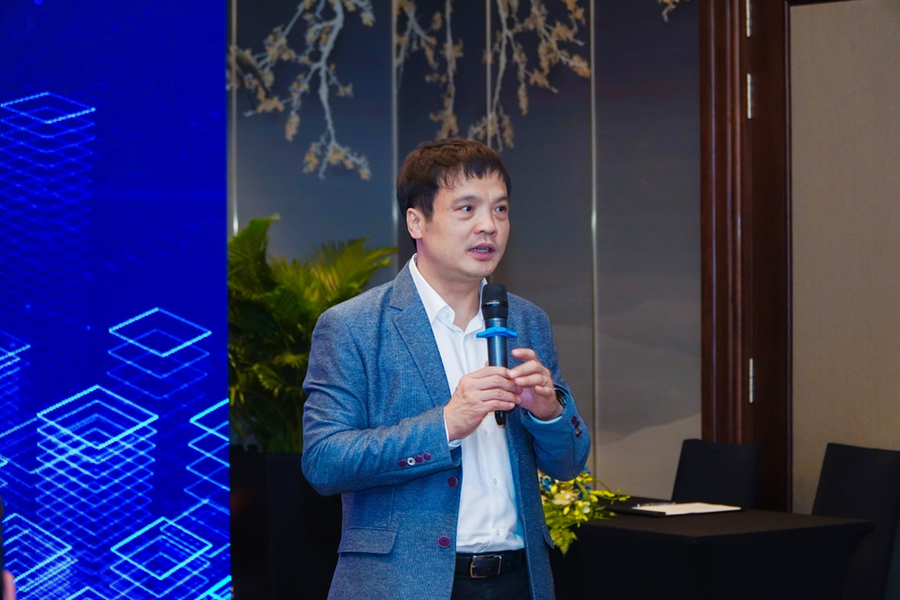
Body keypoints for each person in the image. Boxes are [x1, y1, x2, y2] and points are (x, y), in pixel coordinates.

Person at [302, 138, 590, 600]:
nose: (488, 226)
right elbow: (324, 461)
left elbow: (569, 462)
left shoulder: (526, 321)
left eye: (500, 210)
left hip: (520, 581)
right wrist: (445, 425)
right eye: (467, 209)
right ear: (416, 221)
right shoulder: (354, 326)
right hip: (403, 586)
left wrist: (549, 413)